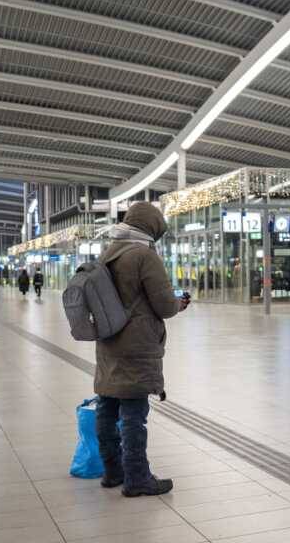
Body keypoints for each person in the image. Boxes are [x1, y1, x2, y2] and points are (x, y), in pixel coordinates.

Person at [95, 202, 189, 497]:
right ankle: (137, 478)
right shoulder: (144, 255)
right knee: (134, 413)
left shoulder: (109, 251)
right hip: (137, 344)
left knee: (107, 406)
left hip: (109, 340)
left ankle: (113, 471)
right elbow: (163, 305)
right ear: (151, 228)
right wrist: (179, 303)